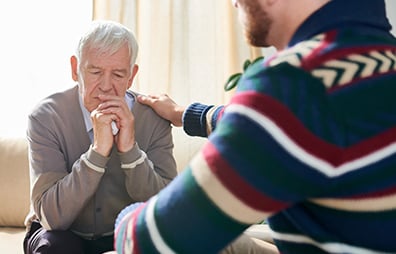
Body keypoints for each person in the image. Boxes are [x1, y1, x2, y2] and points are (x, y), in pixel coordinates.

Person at [114, 0, 396, 253]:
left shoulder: (296, 84)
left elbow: (151, 241)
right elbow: (292, 126)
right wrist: (182, 113)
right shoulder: (372, 64)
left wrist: (124, 218)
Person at [23, 20, 178, 254]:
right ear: (75, 69)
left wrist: (130, 151)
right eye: (95, 72)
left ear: (132, 75)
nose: (106, 86)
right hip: (61, 235)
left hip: (124, 233)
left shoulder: (154, 118)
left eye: (118, 74)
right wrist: (97, 152)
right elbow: (52, 218)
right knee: (55, 247)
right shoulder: (45, 117)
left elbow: (166, 210)